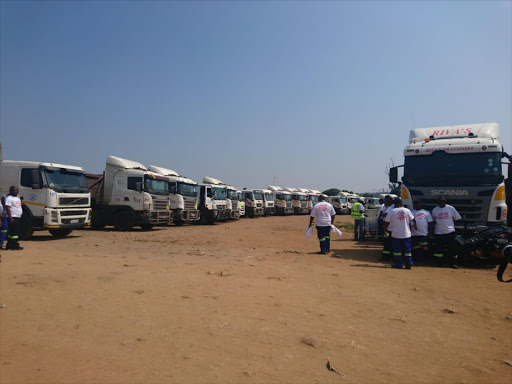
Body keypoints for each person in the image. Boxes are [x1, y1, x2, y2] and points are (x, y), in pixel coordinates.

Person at [384, 198, 417, 269]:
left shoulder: (392, 211)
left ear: (394, 204)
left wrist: (385, 230)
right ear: (401, 203)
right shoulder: (407, 210)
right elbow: (413, 219)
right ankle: (409, 264)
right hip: (406, 234)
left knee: (397, 251)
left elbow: (386, 223)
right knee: (407, 250)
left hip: (396, 234)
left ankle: (399, 264)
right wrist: (415, 225)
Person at [432, 196, 461, 269]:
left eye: (443, 201)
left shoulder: (451, 208)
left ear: (445, 201)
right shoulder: (435, 210)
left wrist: (450, 225)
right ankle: (439, 263)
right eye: (440, 201)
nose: (442, 202)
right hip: (438, 232)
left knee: (452, 249)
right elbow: (434, 220)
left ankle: (453, 263)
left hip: (449, 231)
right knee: (438, 249)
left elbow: (457, 218)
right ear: (438, 202)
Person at [410, 200, 433, 264]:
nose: (416, 205)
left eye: (418, 204)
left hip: (423, 234)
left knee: (424, 247)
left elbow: (431, 223)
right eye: (415, 204)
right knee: (416, 248)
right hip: (414, 234)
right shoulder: (411, 212)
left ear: (420, 204)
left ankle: (426, 259)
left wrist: (430, 232)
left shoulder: (426, 212)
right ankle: (418, 260)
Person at [5, 186, 23, 251]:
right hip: (13, 217)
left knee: (14, 232)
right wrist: (10, 217)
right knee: (14, 233)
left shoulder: (17, 198)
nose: (15, 191)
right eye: (14, 190)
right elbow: (8, 208)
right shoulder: (9, 198)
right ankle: (15, 246)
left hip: (17, 217)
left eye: (16, 190)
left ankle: (10, 245)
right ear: (10, 191)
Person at [379, 195, 395, 260]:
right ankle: (387, 256)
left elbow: (386, 215)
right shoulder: (389, 207)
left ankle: (386, 257)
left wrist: (382, 214)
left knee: (387, 243)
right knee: (387, 243)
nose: (384, 202)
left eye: (385, 200)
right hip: (389, 228)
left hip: (389, 228)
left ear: (389, 200)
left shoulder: (391, 208)